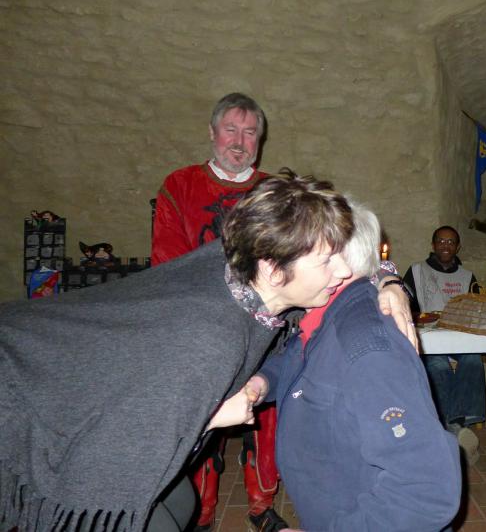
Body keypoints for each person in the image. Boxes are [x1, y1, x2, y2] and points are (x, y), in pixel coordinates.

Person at [0, 174, 356, 532]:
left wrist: (384, 280)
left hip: (59, 360)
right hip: (20, 392)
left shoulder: (236, 263)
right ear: (272, 268)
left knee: (182, 501)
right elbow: (106, 461)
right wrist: (210, 416)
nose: (344, 270)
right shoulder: (210, 339)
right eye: (327, 260)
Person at [151, 94, 414, 532]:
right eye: (231, 130)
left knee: (269, 412)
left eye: (250, 132)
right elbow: (167, 265)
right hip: (202, 325)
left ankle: (261, 504)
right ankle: (201, 512)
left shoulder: (277, 191)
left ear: (261, 139)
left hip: (270, 324)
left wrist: (388, 278)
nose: (240, 142)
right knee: (201, 414)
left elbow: (350, 230)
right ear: (212, 133)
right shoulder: (179, 185)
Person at [248, 204, 462, 531]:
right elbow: (298, 358)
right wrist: (263, 381)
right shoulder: (323, 315)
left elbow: (428, 492)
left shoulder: (367, 348)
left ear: (337, 265)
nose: (275, 265)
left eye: (294, 251)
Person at [403, 225, 484, 465]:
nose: (445, 246)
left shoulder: (467, 276)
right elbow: (406, 305)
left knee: (473, 360)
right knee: (438, 365)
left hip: (459, 336)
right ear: (433, 245)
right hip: (430, 339)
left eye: (451, 242)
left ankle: (458, 422)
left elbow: (476, 307)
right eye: (441, 241)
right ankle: (455, 427)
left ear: (457, 247)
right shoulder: (417, 271)